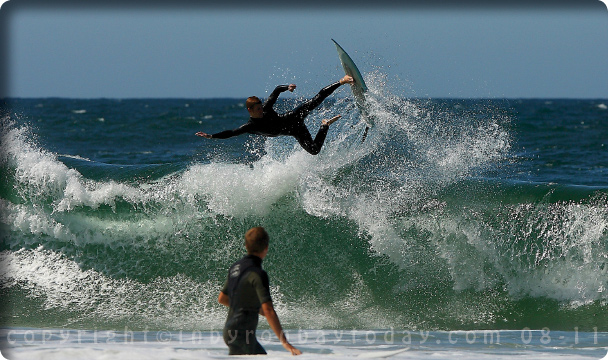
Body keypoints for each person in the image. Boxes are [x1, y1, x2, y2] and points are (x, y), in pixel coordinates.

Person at [196, 75, 354, 155]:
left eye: (260, 108)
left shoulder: (266, 107)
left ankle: (342, 81)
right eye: (257, 109)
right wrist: (211, 136)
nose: (261, 111)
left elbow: (276, 90)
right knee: (314, 150)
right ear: (250, 111)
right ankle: (324, 125)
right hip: (295, 131)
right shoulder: (250, 127)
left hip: (294, 117)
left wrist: (288, 87)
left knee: (316, 100)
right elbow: (231, 133)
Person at [218, 227, 302, 356]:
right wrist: (285, 343)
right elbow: (268, 310)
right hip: (242, 334)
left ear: (246, 246)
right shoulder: (257, 274)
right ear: (266, 248)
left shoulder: (235, 268)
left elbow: (222, 298)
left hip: (230, 331)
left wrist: (249, 308)